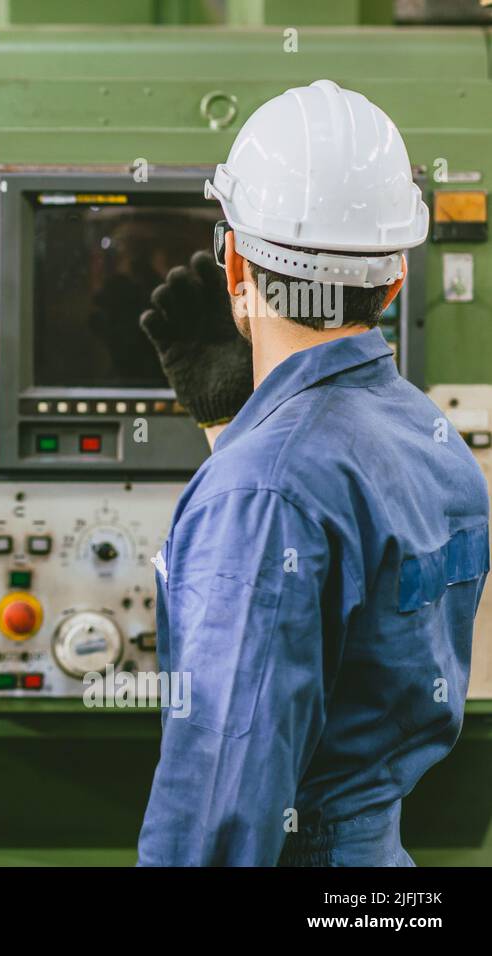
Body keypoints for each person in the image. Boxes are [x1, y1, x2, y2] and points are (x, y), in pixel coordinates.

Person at [136, 80, 489, 866]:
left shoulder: (262, 491)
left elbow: (223, 813)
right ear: (395, 280)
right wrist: (237, 430)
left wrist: (249, 459)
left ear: (234, 265)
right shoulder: (437, 443)